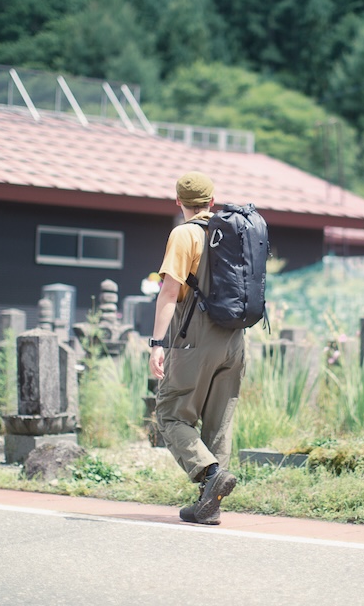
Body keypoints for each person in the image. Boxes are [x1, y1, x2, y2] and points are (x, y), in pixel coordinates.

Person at [149, 172, 245, 525]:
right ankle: (210, 506)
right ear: (211, 201)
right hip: (235, 338)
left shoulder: (184, 234)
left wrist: (157, 343)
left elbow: (170, 292)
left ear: (179, 201)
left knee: (170, 413)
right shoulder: (234, 232)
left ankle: (210, 473)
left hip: (196, 336)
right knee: (219, 422)